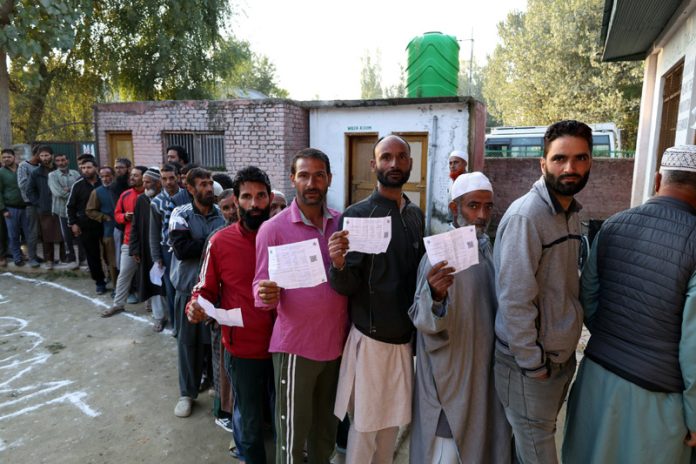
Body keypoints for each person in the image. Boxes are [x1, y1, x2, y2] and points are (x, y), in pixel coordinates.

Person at [562, 145, 696, 463]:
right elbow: (693, 349)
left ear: (657, 179)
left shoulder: (614, 225)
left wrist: (614, 335)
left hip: (596, 380)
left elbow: (588, 298)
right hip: (658, 403)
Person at [493, 120, 592, 464]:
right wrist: (533, 365)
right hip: (530, 368)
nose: (570, 168)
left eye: (580, 158)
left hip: (557, 360)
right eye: (560, 158)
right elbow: (514, 300)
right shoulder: (527, 216)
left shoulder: (571, 212)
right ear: (543, 163)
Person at [329, 135, 425, 464]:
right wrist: (339, 264)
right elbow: (346, 285)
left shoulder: (415, 216)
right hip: (370, 341)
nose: (394, 164)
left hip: (404, 342)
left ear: (411, 163)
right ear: (374, 165)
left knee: (391, 426)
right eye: (386, 157)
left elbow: (417, 277)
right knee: (365, 428)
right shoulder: (357, 216)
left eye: (401, 157)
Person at [409, 172, 512, 463]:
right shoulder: (438, 255)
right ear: (455, 209)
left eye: (488, 207)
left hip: (483, 376)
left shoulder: (488, 249)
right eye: (473, 206)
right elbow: (421, 316)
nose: (482, 215)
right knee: (446, 451)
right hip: (450, 378)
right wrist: (436, 296)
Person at [254, 148, 348, 463]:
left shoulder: (342, 224)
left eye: (319, 175)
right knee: (292, 438)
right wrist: (265, 295)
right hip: (295, 349)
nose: (312, 182)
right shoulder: (273, 229)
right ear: (293, 179)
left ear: (329, 180)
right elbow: (259, 286)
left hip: (335, 347)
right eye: (304, 175)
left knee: (325, 434)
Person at [187, 166, 276, 464]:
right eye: (247, 197)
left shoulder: (284, 238)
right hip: (242, 348)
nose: (254, 204)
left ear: (269, 198)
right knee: (248, 418)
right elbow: (205, 289)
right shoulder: (220, 242)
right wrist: (196, 305)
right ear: (236, 201)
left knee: (283, 415)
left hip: (284, 347)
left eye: (261, 196)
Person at [169, 167, 225, 417]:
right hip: (187, 289)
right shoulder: (180, 213)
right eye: (202, 184)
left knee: (212, 342)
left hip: (214, 292)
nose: (208, 188)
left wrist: (205, 244)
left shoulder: (221, 216)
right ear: (190, 188)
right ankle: (187, 393)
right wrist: (214, 243)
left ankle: (213, 384)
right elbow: (182, 249)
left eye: (210, 183)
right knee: (187, 344)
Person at [101, 166, 147, 317]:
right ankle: (118, 304)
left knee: (151, 275)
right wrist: (125, 217)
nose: (132, 178)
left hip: (148, 242)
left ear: (144, 178)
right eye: (131, 175)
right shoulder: (125, 194)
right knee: (124, 273)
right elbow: (117, 215)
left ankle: (152, 307)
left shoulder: (151, 195)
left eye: (136, 175)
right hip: (129, 241)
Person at [129, 168, 166, 329]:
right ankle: (159, 316)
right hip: (147, 248)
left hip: (166, 248)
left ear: (158, 183)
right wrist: (135, 248)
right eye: (143, 182)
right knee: (154, 283)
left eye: (148, 182)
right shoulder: (141, 200)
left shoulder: (167, 199)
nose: (144, 185)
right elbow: (135, 225)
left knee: (167, 283)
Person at [67, 158, 107, 293]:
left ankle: (114, 278)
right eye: (83, 168)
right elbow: (70, 207)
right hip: (86, 225)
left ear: (95, 167)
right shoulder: (77, 186)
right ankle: (99, 281)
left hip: (105, 223)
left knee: (109, 253)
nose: (86, 170)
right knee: (92, 254)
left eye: (88, 167)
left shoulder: (104, 183)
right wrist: (73, 223)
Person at [150, 163, 181, 332]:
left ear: (178, 177)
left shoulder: (186, 196)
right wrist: (157, 257)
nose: (168, 182)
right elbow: (154, 232)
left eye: (171, 178)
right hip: (166, 251)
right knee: (171, 289)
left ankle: (188, 324)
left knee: (186, 288)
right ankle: (176, 325)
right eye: (164, 179)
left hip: (185, 249)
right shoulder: (156, 202)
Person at [27, 146, 63, 270]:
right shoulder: (36, 173)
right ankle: (49, 260)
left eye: (46, 155)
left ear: (52, 156)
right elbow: (30, 191)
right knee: (47, 236)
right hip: (45, 209)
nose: (44, 158)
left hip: (61, 207)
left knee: (63, 234)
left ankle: (64, 259)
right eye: (42, 156)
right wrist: (39, 202)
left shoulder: (59, 169)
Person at [48, 152, 82, 269]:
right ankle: (71, 259)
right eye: (58, 161)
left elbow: (81, 191)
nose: (61, 163)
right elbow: (58, 193)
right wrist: (73, 191)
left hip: (77, 210)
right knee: (67, 236)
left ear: (67, 161)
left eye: (63, 160)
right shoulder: (52, 175)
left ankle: (82, 259)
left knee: (80, 234)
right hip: (62, 210)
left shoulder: (75, 173)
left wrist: (69, 190)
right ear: (55, 162)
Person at [86, 166, 118, 290]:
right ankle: (116, 288)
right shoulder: (97, 192)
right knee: (112, 260)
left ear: (113, 176)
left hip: (125, 228)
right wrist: (103, 217)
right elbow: (90, 210)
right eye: (103, 176)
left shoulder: (119, 189)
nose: (105, 178)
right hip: (109, 230)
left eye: (108, 175)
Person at [0, 148, 31, 267]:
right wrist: (3, 209)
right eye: (4, 157)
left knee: (29, 234)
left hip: (26, 207)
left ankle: (31, 255)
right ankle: (17, 257)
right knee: (13, 235)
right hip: (10, 208)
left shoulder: (22, 169)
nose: (6, 159)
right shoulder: (1, 172)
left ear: (14, 157)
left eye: (8, 157)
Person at [17, 144, 41, 267]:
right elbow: (23, 185)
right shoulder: (24, 166)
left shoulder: (42, 166)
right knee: (33, 231)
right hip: (31, 203)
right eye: (41, 155)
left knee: (43, 231)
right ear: (36, 154)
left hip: (43, 204)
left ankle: (38, 256)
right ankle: (32, 257)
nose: (44, 157)